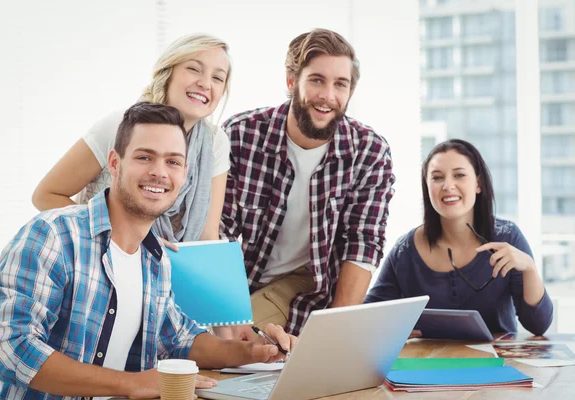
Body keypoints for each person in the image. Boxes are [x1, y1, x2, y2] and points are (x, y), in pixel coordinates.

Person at [0, 103, 294, 400]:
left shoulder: (156, 260)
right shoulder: (52, 236)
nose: (159, 172)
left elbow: (180, 341)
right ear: (115, 164)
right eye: (145, 157)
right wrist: (131, 384)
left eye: (172, 162)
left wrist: (256, 352)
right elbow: (9, 348)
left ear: (184, 174)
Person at [219, 29, 395, 336]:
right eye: (317, 80)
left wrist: (336, 336)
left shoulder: (369, 151)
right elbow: (219, 233)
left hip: (306, 284)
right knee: (196, 341)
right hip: (237, 279)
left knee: (223, 347)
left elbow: (362, 244)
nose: (328, 96)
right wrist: (231, 320)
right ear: (291, 81)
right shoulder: (239, 135)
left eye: (340, 84)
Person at [32, 33, 232, 244]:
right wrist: (119, 236)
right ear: (168, 72)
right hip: (104, 256)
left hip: (173, 268)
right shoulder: (120, 125)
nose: (205, 83)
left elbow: (207, 236)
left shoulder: (215, 142)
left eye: (217, 78)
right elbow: (46, 195)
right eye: (193, 69)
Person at [364, 139, 553, 337]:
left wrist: (529, 267)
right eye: (437, 178)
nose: (448, 186)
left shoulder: (508, 237)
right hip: (429, 364)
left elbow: (538, 326)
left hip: (496, 365)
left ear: (478, 184)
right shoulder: (405, 250)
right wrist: (397, 330)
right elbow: (369, 317)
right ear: (427, 188)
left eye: (459, 175)